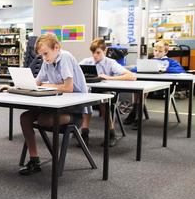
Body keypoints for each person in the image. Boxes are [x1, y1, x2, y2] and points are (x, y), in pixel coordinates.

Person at [17, 33, 88, 176]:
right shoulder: (47, 61)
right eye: (41, 55)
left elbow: (68, 88)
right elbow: (37, 83)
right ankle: (34, 160)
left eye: (45, 53)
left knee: (44, 120)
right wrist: (16, 86)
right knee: (25, 118)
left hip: (74, 110)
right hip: (54, 105)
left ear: (57, 48)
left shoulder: (65, 57)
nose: (44, 58)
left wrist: (47, 85)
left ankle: (56, 160)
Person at [79, 38, 136, 147]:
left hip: (107, 93)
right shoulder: (87, 61)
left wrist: (108, 77)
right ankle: (84, 133)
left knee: (104, 103)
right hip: (91, 91)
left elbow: (131, 76)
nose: (95, 55)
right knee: (85, 101)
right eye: (93, 52)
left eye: (98, 52)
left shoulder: (111, 63)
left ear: (104, 51)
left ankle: (111, 134)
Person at [125, 40, 185, 127]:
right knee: (138, 87)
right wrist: (143, 69)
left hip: (163, 85)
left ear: (166, 52)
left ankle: (135, 114)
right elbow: (135, 69)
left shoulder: (170, 61)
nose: (157, 53)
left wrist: (165, 70)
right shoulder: (150, 61)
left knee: (142, 90)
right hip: (148, 84)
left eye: (160, 51)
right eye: (155, 51)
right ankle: (136, 113)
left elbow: (180, 70)